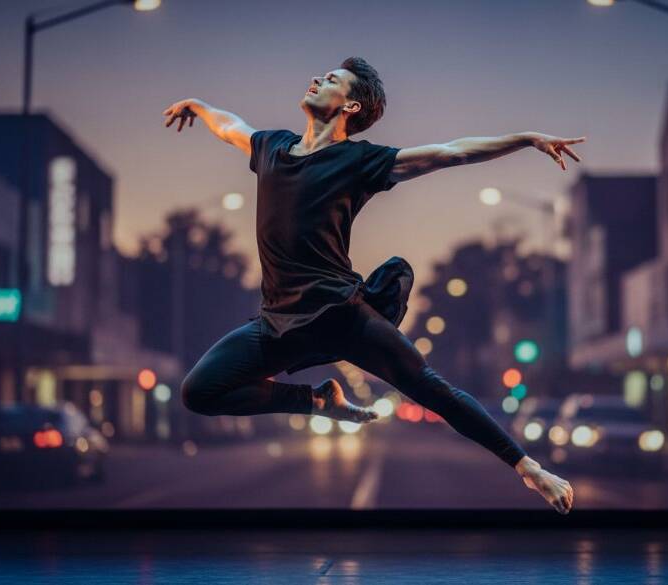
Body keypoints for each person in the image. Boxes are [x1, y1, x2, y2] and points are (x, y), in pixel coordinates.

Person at [163, 57, 582, 514]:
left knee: (430, 388)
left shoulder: (360, 160)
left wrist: (527, 138)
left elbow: (452, 151)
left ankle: (530, 469)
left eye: (331, 80)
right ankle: (317, 400)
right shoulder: (272, 147)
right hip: (278, 321)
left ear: (351, 106)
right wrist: (198, 105)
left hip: (342, 315)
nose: (316, 78)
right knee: (199, 391)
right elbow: (230, 126)